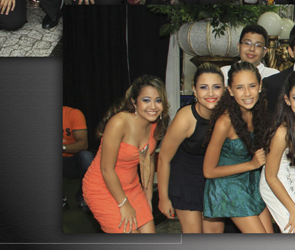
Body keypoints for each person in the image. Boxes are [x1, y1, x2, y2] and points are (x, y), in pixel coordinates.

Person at [82, 75, 170, 233]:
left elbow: (148, 161)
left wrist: (148, 196)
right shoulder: (119, 123)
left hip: (132, 187)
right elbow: (106, 169)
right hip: (102, 187)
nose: (153, 106)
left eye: (158, 100)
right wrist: (124, 203)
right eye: (146, 100)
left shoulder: (156, 124)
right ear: (134, 102)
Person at [203, 62, 274, 233]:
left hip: (250, 181)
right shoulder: (225, 122)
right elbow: (208, 171)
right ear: (230, 90)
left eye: (252, 86)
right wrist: (251, 164)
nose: (247, 93)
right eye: (240, 88)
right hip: (228, 186)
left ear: (260, 86)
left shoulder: (258, 113)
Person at [156, 64, 225, 233]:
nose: (210, 93)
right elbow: (164, 158)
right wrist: (163, 198)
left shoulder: (228, 115)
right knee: (194, 236)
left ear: (225, 89)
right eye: (203, 87)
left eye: (216, 87)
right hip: (185, 178)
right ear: (194, 90)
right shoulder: (185, 118)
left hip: (213, 178)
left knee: (216, 234)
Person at [259, 71, 295, 233]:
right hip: (274, 182)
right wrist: (293, 210)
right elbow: (270, 176)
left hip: (294, 176)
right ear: (287, 100)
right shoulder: (282, 132)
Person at [63, 105, 94, 211]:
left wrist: (62, 148)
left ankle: (84, 196)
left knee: (86, 156)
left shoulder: (72, 113)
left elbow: (83, 144)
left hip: (73, 160)